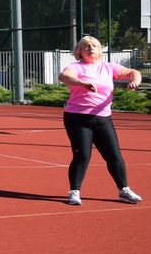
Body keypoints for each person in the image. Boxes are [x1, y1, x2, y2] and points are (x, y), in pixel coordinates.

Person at [58, 35, 142, 206]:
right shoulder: (75, 67)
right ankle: (74, 191)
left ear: (100, 50)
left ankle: (124, 190)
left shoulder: (109, 67)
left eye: (94, 45)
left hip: (103, 118)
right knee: (82, 155)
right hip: (78, 118)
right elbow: (64, 76)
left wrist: (135, 81)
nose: (91, 48)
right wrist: (82, 83)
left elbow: (133, 72)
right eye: (86, 46)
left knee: (114, 156)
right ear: (80, 51)